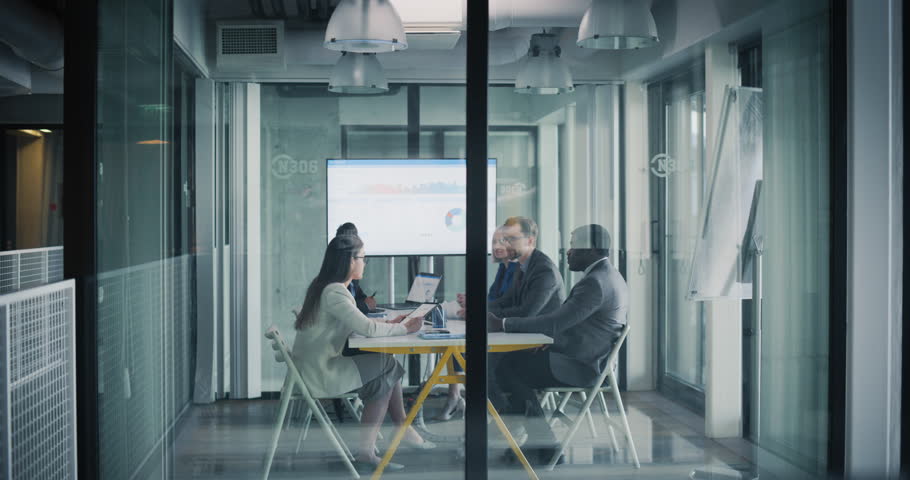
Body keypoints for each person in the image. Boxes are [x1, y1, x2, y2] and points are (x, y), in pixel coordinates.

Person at [487, 224, 629, 465]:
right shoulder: (605, 275)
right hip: (579, 353)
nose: (568, 252)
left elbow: (555, 322)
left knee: (506, 366)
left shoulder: (595, 283)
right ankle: (526, 435)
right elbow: (570, 324)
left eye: (573, 246)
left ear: (591, 249)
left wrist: (502, 324)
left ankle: (539, 440)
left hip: (582, 365)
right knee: (509, 363)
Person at [292, 234, 434, 472]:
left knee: (386, 365)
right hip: (320, 372)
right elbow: (366, 328)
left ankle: (395, 431)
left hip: (313, 365)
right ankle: (374, 446)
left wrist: (393, 323)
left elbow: (356, 321)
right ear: (350, 261)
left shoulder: (324, 286)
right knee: (386, 366)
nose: (365, 263)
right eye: (363, 258)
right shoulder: (335, 292)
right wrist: (404, 327)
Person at [437, 227, 519, 421]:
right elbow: (493, 300)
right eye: (494, 242)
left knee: (463, 348)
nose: (496, 247)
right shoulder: (503, 268)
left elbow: (508, 305)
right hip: (495, 327)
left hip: (507, 332)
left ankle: (491, 411)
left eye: (502, 242)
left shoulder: (516, 270)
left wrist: (476, 309)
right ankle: (455, 396)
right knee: (456, 343)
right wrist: (471, 301)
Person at [335, 222, 377, 314]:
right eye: (362, 258)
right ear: (351, 259)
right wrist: (365, 305)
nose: (364, 264)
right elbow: (347, 309)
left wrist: (367, 301)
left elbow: (359, 297)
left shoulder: (352, 280)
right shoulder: (335, 286)